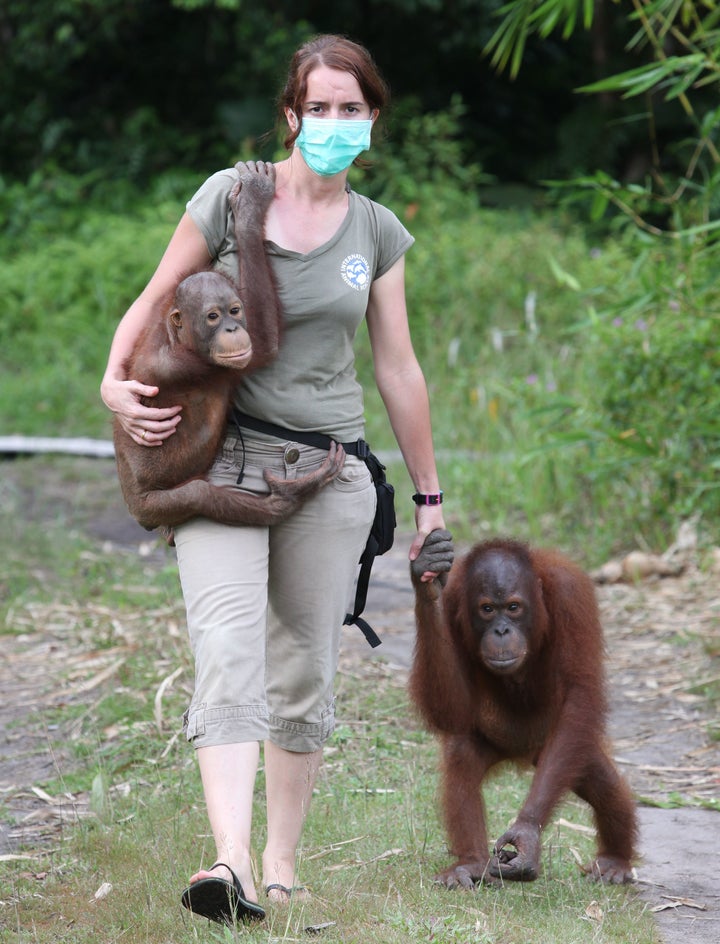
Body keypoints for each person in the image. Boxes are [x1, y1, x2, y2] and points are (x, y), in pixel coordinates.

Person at [101, 33, 448, 924]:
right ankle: (228, 863)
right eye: (318, 107)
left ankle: (282, 861)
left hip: (330, 470)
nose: (334, 123)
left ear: (373, 117)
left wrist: (428, 499)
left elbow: (398, 369)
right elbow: (155, 296)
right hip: (225, 458)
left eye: (352, 108)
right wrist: (111, 379)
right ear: (290, 114)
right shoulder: (230, 195)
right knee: (226, 646)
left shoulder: (377, 230)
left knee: (305, 663)